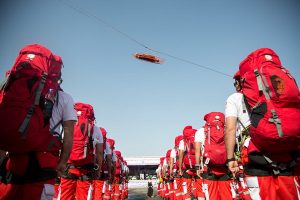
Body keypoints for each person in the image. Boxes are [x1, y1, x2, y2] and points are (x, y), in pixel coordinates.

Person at [225, 69, 300, 199]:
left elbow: (230, 129)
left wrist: (230, 158)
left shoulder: (235, 98)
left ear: (240, 82)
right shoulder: (276, 92)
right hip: (287, 148)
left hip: (254, 150)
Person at [0, 88, 77, 199]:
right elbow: (69, 133)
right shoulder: (65, 97)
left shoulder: (20, 87)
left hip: (14, 157)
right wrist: (63, 162)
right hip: (44, 158)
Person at [59, 121, 104, 200]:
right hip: (86, 170)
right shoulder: (96, 130)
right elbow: (99, 153)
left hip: (68, 167)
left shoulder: (68, 124)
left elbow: (62, 146)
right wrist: (98, 170)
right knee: (83, 197)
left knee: (65, 196)